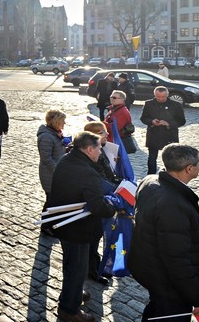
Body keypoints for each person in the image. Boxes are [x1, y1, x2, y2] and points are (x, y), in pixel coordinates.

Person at [129, 144, 199, 321]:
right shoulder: (173, 205)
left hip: (150, 269)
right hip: (168, 282)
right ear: (189, 169)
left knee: (157, 309)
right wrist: (198, 300)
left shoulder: (149, 180)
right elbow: (176, 259)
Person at [49, 132, 118, 322]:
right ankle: (69, 310)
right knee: (77, 269)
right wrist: (113, 207)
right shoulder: (87, 172)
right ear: (89, 149)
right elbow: (97, 206)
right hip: (78, 229)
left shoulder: (67, 158)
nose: (100, 152)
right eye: (98, 148)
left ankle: (73, 294)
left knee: (72, 265)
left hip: (66, 225)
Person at [82, 121, 119, 287]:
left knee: (96, 237)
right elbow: (99, 178)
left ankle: (97, 267)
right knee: (93, 238)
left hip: (105, 196)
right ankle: (93, 269)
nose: (107, 135)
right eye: (103, 133)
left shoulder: (103, 150)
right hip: (98, 201)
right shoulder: (92, 155)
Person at [140, 86, 186, 175]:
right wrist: (152, 121)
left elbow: (181, 121)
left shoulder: (176, 105)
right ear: (155, 95)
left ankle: (170, 176)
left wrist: (168, 123)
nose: (160, 99)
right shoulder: (149, 104)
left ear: (167, 95)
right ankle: (150, 175)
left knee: (171, 159)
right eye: (158, 97)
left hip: (169, 135)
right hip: (154, 135)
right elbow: (143, 118)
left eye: (163, 97)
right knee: (152, 158)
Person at [37, 109, 68, 236]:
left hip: (56, 173)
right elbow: (46, 159)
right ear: (55, 122)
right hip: (50, 174)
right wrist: (59, 172)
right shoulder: (46, 136)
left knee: (54, 200)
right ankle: (45, 226)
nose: (64, 123)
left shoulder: (55, 132)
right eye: (62, 121)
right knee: (50, 201)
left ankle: (51, 224)